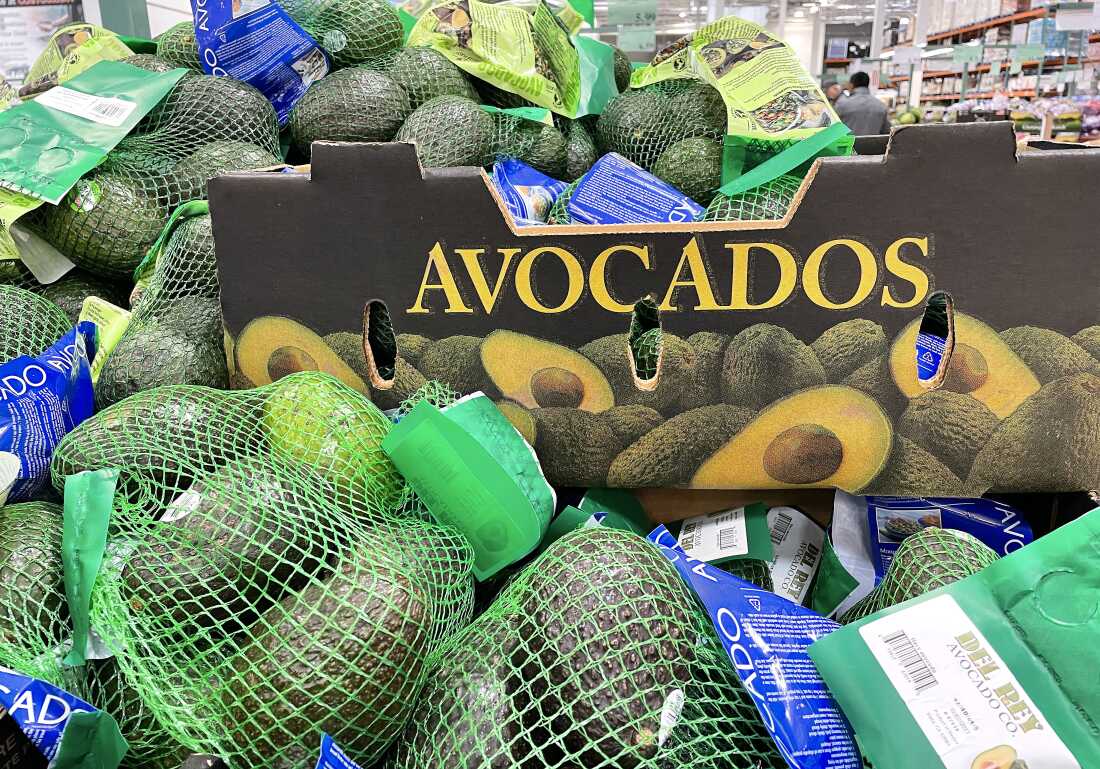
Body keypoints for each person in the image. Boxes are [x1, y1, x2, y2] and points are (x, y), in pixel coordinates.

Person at [835, 71, 891, 135]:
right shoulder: (881, 106)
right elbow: (887, 131)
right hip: (873, 144)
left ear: (851, 85)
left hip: (849, 144)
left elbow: (832, 129)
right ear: (867, 84)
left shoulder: (842, 104)